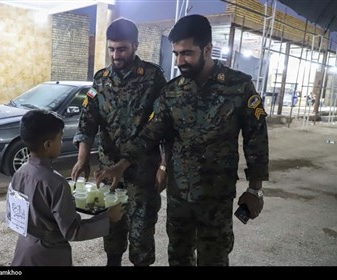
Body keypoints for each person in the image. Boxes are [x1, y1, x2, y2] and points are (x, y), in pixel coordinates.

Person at [96, 14, 269, 266]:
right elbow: (151, 132)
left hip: (216, 197)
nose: (179, 61)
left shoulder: (239, 87)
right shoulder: (172, 91)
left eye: (187, 53)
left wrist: (255, 188)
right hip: (179, 196)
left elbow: (256, 138)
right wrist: (121, 165)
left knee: (213, 259)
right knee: (178, 257)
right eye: (176, 53)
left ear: (207, 49)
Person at [71, 18, 168, 266]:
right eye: (112, 49)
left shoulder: (152, 76)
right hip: (108, 170)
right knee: (112, 230)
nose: (116, 55)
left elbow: (160, 125)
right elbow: (88, 119)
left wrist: (163, 166)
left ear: (135, 45)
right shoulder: (100, 79)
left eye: (122, 48)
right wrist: (82, 158)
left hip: (142, 174)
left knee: (141, 234)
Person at [7, 109, 125, 266]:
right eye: (60, 139)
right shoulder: (55, 183)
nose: (62, 143)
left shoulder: (20, 173)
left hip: (24, 249)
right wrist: (108, 218)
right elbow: (72, 231)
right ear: (48, 145)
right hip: (49, 256)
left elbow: (14, 215)